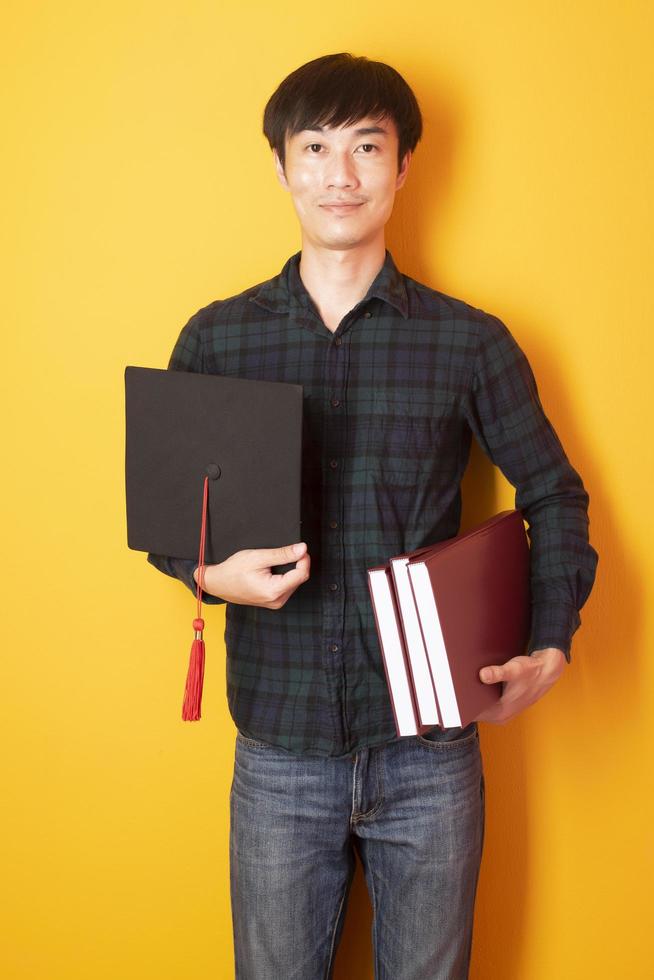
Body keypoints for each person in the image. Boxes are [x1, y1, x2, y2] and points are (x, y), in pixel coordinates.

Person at [147, 52, 599, 980]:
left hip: (430, 757)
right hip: (278, 752)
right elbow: (170, 513)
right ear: (280, 166)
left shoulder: (470, 341)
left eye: (365, 146)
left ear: (403, 166)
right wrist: (205, 574)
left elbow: (554, 492)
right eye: (314, 147)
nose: (339, 174)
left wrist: (551, 638)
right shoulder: (217, 336)